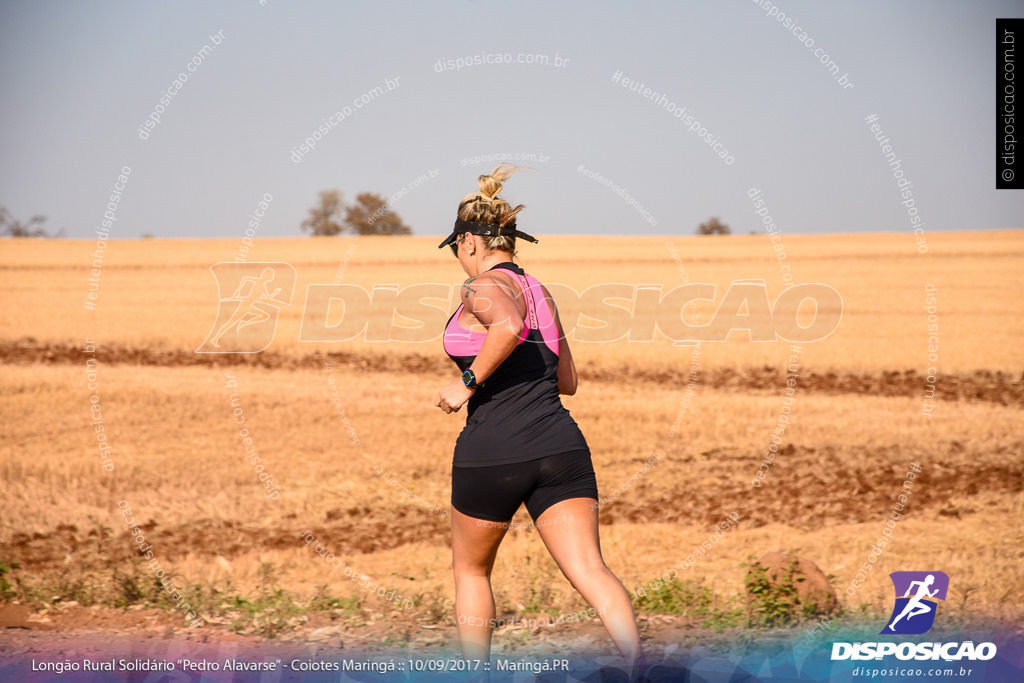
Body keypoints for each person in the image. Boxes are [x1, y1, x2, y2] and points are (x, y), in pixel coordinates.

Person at [433, 164, 643, 671]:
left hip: (494, 451)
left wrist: (466, 384)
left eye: (458, 250)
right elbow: (568, 379)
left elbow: (506, 326)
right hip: (561, 446)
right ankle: (643, 669)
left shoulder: (479, 288)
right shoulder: (540, 290)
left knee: (471, 573)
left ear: (468, 243)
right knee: (591, 570)